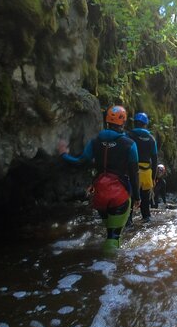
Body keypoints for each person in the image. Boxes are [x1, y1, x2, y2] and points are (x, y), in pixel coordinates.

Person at [58, 105, 140, 251]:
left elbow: (80, 162)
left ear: (106, 120)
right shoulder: (130, 145)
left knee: (108, 231)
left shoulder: (94, 141)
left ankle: (101, 262)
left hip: (99, 193)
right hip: (119, 195)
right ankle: (109, 267)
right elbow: (134, 174)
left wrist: (63, 154)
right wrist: (137, 197)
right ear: (123, 122)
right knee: (113, 237)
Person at [128, 112, 158, 222]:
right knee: (145, 201)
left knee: (131, 199)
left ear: (135, 123)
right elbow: (154, 160)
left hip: (132, 172)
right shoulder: (151, 139)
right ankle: (146, 219)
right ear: (145, 124)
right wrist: (153, 178)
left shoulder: (129, 136)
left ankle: (129, 223)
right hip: (147, 173)